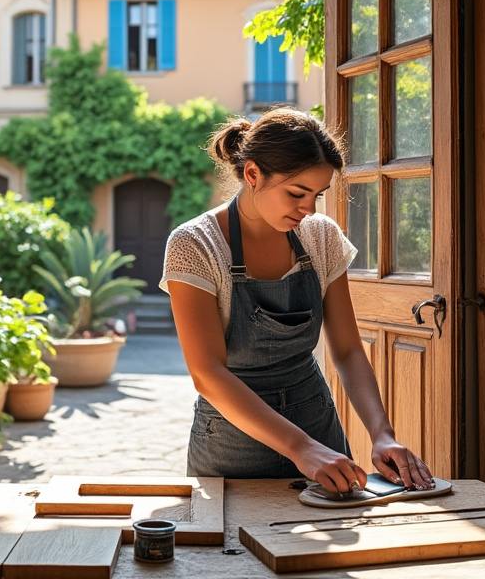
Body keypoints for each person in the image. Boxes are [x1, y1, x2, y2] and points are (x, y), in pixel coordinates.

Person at [160, 108, 434, 494]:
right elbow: (208, 374)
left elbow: (348, 351)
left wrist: (382, 434)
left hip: (317, 427)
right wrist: (301, 448)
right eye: (296, 193)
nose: (309, 209)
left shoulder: (320, 237)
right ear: (252, 174)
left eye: (318, 195)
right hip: (231, 442)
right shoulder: (194, 245)